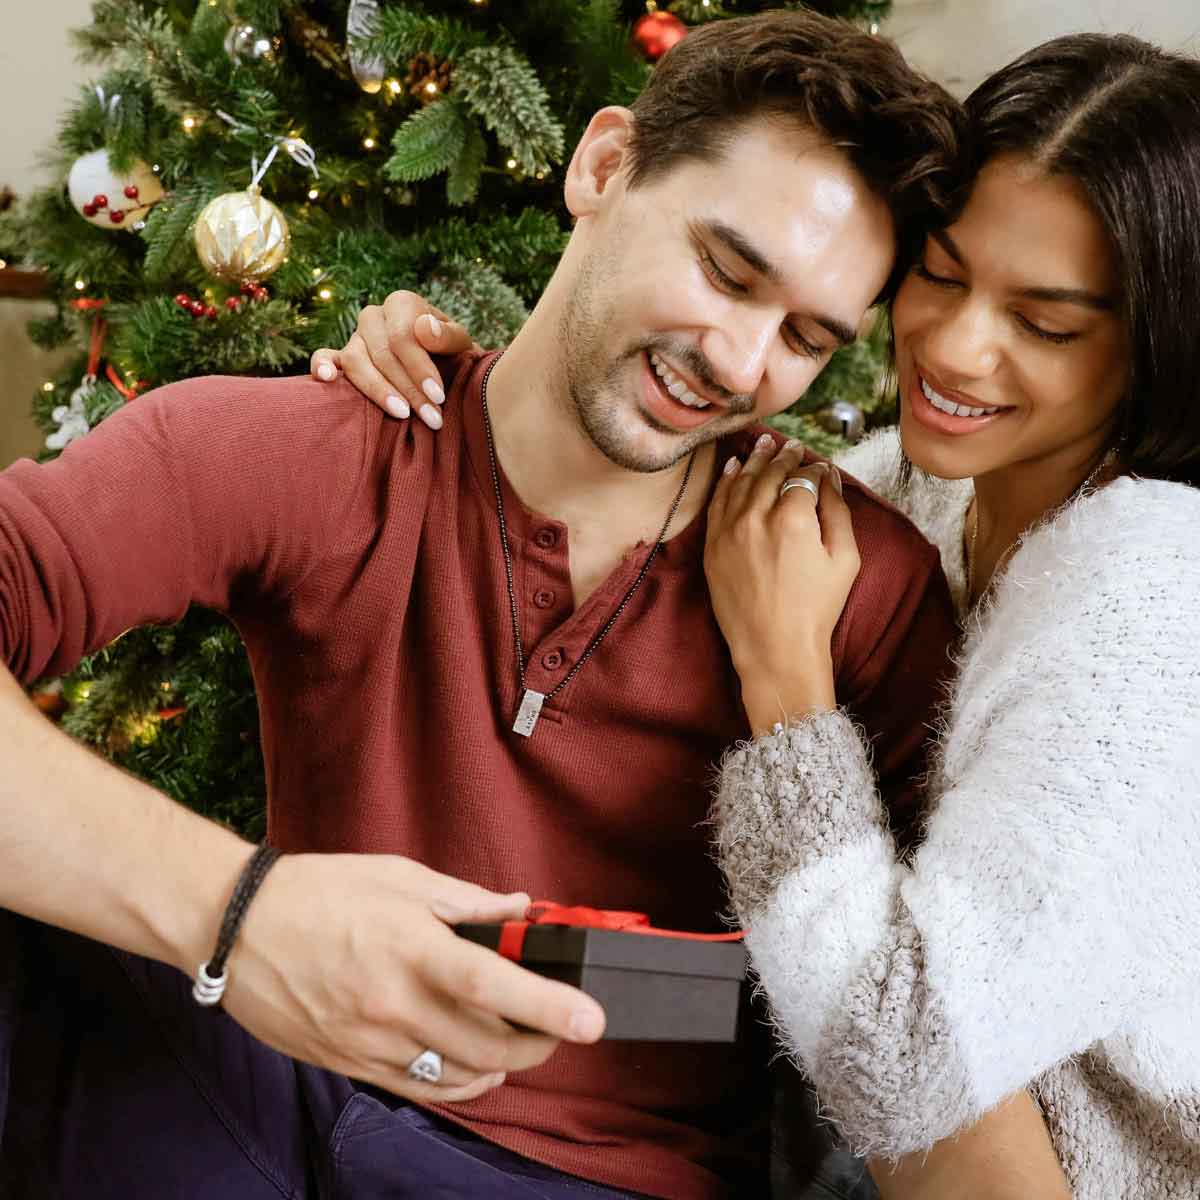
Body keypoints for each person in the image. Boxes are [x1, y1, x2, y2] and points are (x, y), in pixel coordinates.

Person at [0, 12, 973, 1199]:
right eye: (725, 269)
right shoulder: (316, 451)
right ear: (603, 166)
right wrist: (241, 913)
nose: (740, 361)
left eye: (808, 338)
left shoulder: (854, 585)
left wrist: (793, 692)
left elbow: (934, 1019)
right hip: (255, 1104)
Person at [312, 28, 1200, 1200]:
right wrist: (478, 403)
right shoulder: (893, 500)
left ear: (1151, 347)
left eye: (1045, 324)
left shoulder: (1152, 596)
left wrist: (787, 684)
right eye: (940, 272)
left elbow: (902, 1064)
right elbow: (780, 983)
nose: (954, 345)